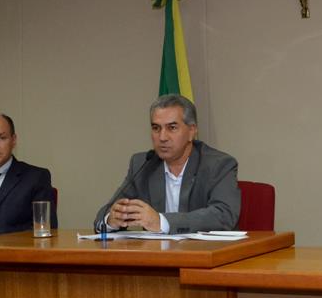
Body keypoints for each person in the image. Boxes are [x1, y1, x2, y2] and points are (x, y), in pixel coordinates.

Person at [95, 94, 240, 233]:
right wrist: (111, 220)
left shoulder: (218, 164)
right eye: (156, 128)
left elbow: (224, 215)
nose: (162, 137)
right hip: (158, 250)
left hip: (206, 250)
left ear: (192, 131)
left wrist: (162, 222)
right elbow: (104, 215)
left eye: (172, 128)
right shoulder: (143, 164)